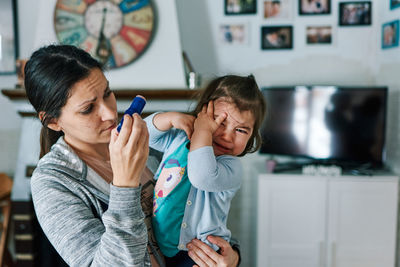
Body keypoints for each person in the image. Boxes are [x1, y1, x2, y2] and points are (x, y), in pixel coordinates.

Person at [25, 44, 240, 266]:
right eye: (88, 108)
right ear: (53, 121)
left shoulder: (151, 140)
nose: (110, 114)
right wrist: (125, 185)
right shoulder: (52, 182)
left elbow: (200, 211)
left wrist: (231, 255)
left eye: (107, 94)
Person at [144, 75, 267, 266]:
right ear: (203, 114)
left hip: (199, 253)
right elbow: (143, 134)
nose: (227, 136)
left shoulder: (231, 167)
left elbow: (200, 176)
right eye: (220, 122)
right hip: (163, 247)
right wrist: (171, 117)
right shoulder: (178, 138)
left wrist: (204, 131)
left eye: (241, 130)